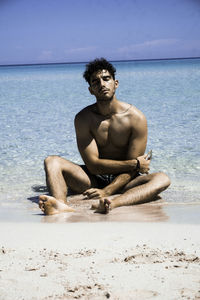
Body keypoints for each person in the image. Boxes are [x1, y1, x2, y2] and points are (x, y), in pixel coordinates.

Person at [39, 58, 170, 215]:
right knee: (52, 161)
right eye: (96, 82)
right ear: (91, 90)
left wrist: (108, 191)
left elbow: (134, 172)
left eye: (106, 79)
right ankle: (60, 205)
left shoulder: (136, 118)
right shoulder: (83, 118)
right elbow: (93, 165)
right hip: (93, 178)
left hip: (125, 181)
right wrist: (135, 163)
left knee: (162, 179)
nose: (102, 84)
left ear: (116, 83)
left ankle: (111, 204)